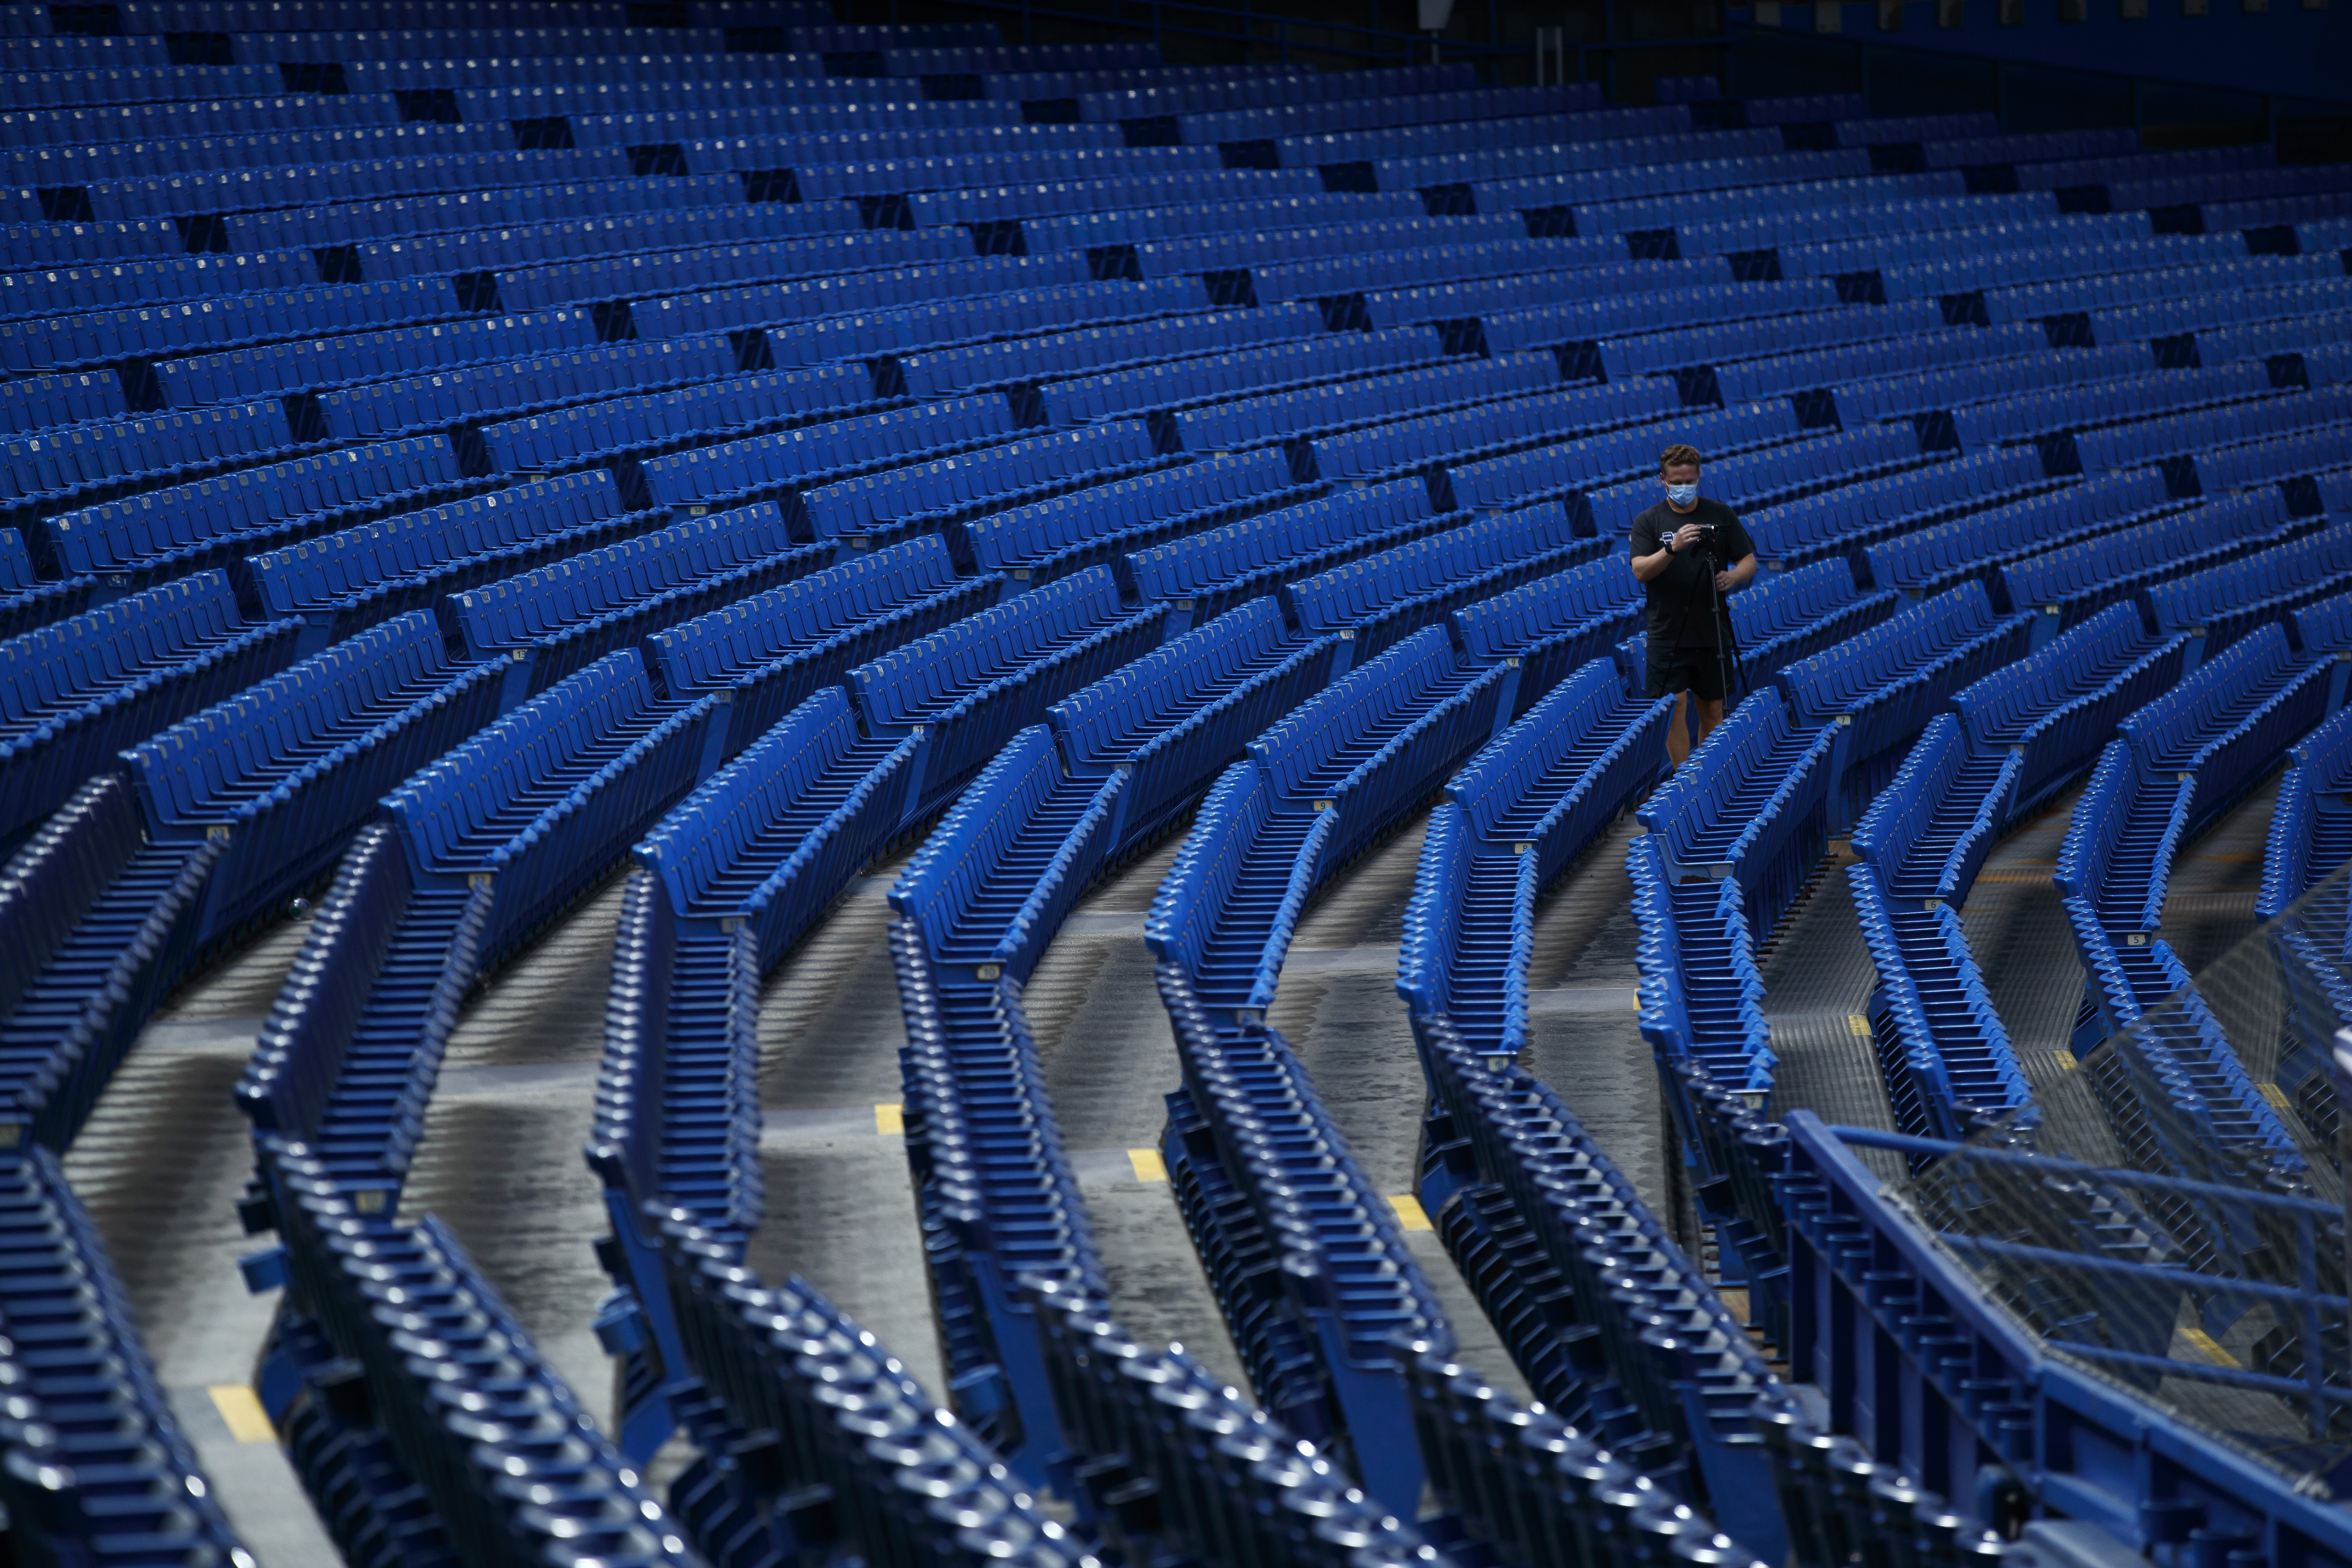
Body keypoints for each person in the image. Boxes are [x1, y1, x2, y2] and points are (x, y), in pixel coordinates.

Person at [1628, 443, 1757, 769]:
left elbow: (1749, 561)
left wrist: (1733, 576)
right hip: (1668, 632)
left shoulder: (1720, 514)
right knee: (1675, 710)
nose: (1683, 487)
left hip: (1711, 628)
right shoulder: (1650, 521)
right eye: (1677, 481)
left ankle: (1708, 774)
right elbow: (1641, 571)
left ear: (1698, 477)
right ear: (1663, 480)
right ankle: (1685, 778)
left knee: (1713, 709)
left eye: (1689, 480)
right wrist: (1672, 548)